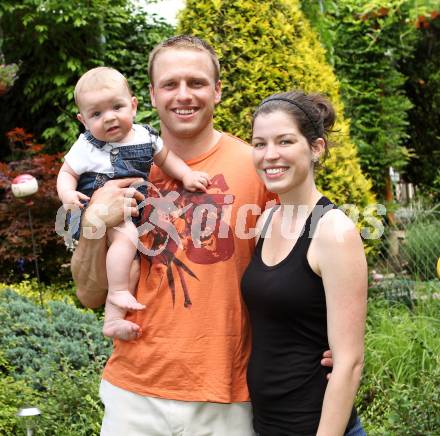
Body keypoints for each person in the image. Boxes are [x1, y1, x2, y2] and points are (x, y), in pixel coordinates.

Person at [70, 36, 333, 435]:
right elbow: (90, 294)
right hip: (134, 394)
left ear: (217, 91)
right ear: (152, 96)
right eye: (170, 84)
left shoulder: (257, 167)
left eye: (196, 83)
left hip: (227, 398)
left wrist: (324, 342)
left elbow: (304, 266)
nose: (184, 95)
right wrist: (93, 224)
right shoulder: (108, 175)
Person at [241, 91, 368, 436]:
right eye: (259, 143)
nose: (270, 155)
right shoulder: (264, 222)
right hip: (266, 426)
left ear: (316, 148)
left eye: (284, 141)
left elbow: (349, 363)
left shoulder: (334, 232)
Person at [57, 66, 210, 341]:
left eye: (117, 106)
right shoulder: (86, 146)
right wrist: (68, 196)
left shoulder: (145, 136)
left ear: (133, 105)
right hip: (100, 208)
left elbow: (166, 159)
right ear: (83, 120)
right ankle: (116, 292)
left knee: (133, 267)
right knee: (126, 238)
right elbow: (67, 173)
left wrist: (187, 175)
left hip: (130, 212)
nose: (110, 118)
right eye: (96, 114)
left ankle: (113, 319)